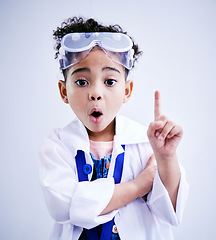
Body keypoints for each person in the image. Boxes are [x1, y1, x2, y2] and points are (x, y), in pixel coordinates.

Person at [38, 17, 189, 240]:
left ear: (127, 90)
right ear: (63, 91)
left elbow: (169, 212)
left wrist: (166, 157)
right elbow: (65, 205)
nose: (96, 93)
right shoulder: (57, 146)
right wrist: (140, 185)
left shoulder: (146, 143)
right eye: (82, 81)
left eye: (109, 81)